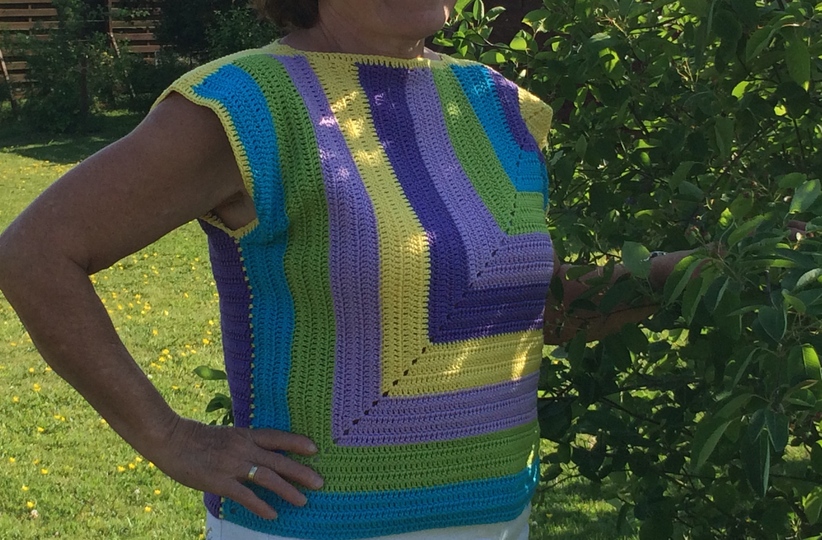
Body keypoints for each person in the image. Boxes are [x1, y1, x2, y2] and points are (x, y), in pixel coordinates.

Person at [0, 1, 692, 538]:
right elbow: (33, 255)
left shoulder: (497, 106)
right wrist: (170, 438)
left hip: (499, 516)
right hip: (315, 524)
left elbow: (525, 309)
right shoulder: (247, 103)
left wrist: (698, 272)